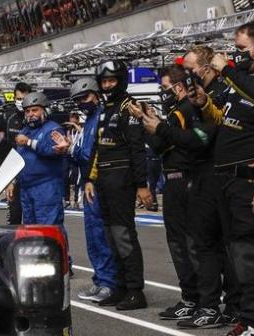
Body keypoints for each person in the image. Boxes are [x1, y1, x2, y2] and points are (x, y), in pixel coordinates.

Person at [191, 21, 254, 336]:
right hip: (228, 181)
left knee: (247, 252)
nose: (234, 54)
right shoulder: (241, 83)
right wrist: (206, 105)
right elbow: (227, 121)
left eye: (240, 48)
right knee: (243, 253)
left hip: (252, 183)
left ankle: (252, 322)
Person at [131, 65, 209, 320]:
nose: (163, 93)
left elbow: (198, 141)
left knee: (191, 243)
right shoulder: (175, 113)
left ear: (178, 87)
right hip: (173, 182)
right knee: (177, 243)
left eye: (165, 88)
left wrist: (161, 128)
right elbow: (157, 145)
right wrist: (148, 121)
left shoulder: (189, 109)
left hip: (189, 180)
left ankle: (204, 300)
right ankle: (190, 296)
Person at [82, 59, 152, 310]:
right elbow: (97, 149)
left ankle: (135, 291)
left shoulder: (128, 107)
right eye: (104, 82)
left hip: (122, 180)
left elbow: (137, 150)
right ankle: (120, 287)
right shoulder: (105, 109)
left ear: (120, 81)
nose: (108, 85)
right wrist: (90, 179)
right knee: (111, 236)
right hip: (103, 180)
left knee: (123, 235)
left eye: (112, 81)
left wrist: (142, 185)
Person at [179, 45, 238, 329]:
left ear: (207, 67)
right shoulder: (197, 97)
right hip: (202, 174)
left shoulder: (223, 94)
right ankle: (218, 304)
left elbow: (202, 137)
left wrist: (167, 133)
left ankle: (215, 305)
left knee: (212, 245)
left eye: (191, 69)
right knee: (208, 244)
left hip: (219, 175)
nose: (188, 75)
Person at [69, 77, 119, 304]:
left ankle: (109, 282)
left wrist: (73, 150)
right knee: (92, 236)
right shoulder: (88, 121)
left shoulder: (101, 118)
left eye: (85, 97)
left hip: (98, 184)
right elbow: (82, 154)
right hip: (86, 184)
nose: (82, 102)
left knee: (101, 235)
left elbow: (94, 155)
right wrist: (70, 149)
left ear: (97, 95)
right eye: (78, 100)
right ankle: (100, 279)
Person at [13, 92, 71, 228]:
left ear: (45, 110)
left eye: (35, 110)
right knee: (31, 232)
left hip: (46, 187)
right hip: (26, 188)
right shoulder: (25, 131)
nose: (30, 114)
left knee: (49, 230)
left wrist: (29, 142)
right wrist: (13, 181)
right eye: (27, 111)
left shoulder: (54, 129)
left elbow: (52, 150)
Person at [0, 82, 34, 225]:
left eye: (24, 99)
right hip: (13, 172)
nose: (21, 102)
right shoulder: (8, 117)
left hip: (32, 171)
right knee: (15, 214)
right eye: (18, 99)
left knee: (33, 216)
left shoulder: (36, 116)